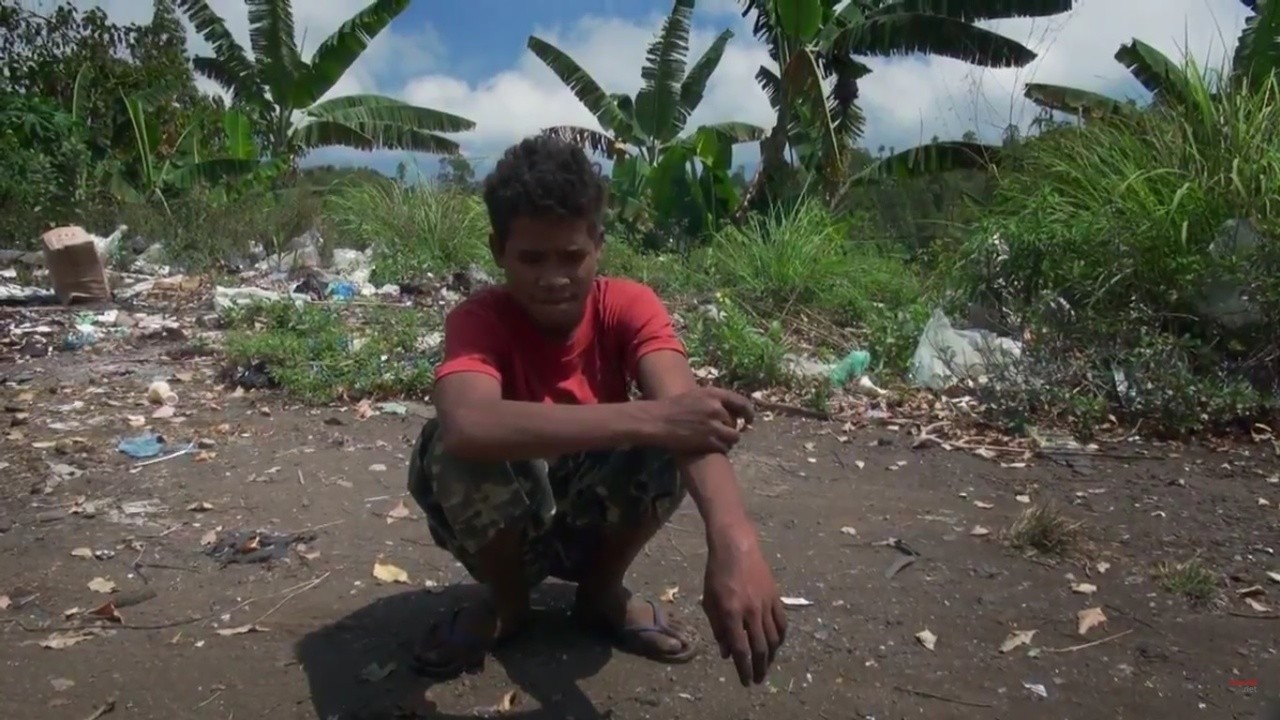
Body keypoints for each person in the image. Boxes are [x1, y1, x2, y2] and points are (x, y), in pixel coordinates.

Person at [406, 134, 786, 687]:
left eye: (572, 256)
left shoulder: (627, 305)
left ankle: (601, 592)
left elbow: (693, 418)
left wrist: (736, 543)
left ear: (599, 246)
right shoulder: (478, 319)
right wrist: (653, 418)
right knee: (448, 446)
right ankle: (510, 602)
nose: (554, 277)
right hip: (508, 524)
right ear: (497, 252)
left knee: (673, 440)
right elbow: (469, 424)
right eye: (531, 258)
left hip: (597, 517)